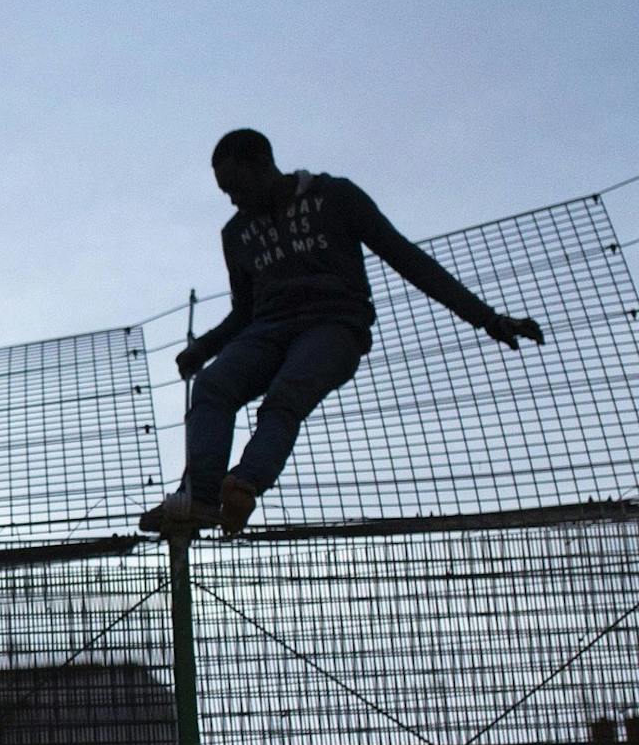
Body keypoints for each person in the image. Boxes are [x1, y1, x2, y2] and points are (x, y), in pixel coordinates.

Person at [142, 128, 544, 536]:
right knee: (213, 385)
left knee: (286, 396)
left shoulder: (334, 196)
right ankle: (201, 498)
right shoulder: (236, 234)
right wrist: (203, 350)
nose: (233, 200)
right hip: (266, 330)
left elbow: (405, 257)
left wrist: (487, 318)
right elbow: (243, 312)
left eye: (237, 187)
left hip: (333, 325)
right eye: (226, 192)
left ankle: (244, 485)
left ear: (264, 164)